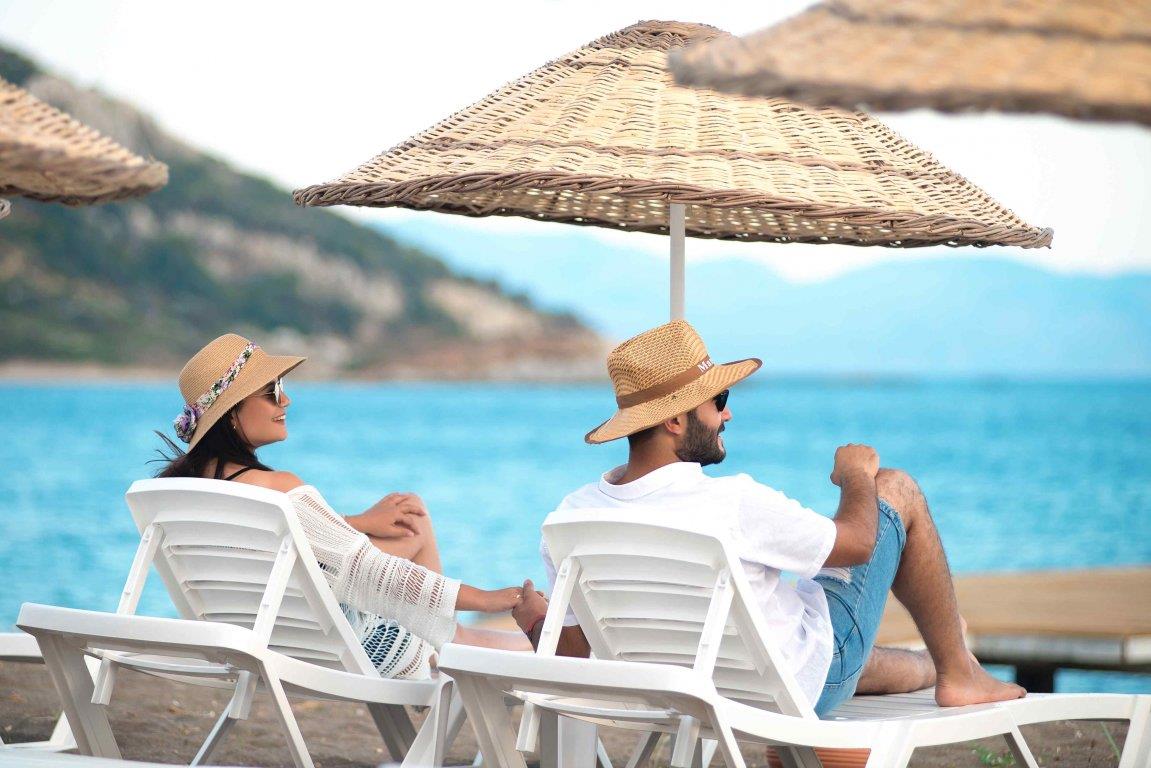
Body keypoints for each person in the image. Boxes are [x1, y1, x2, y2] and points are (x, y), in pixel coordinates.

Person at [512, 320, 1025, 716]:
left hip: (688, 687)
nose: (727, 415)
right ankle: (959, 673)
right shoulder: (731, 503)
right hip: (780, 690)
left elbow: (572, 655)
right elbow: (858, 544)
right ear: (675, 420)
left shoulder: (570, 517)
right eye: (719, 400)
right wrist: (855, 475)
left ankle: (940, 659)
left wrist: (537, 620)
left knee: (820, 639)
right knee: (895, 487)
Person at [156, 333, 530, 680]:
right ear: (231, 413)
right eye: (272, 391)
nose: (286, 400)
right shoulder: (277, 486)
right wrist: (487, 599)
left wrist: (357, 522)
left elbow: (292, 547)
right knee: (526, 651)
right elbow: (372, 572)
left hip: (265, 645)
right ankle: (453, 644)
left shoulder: (185, 493)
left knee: (410, 517)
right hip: (338, 653)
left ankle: (452, 640)